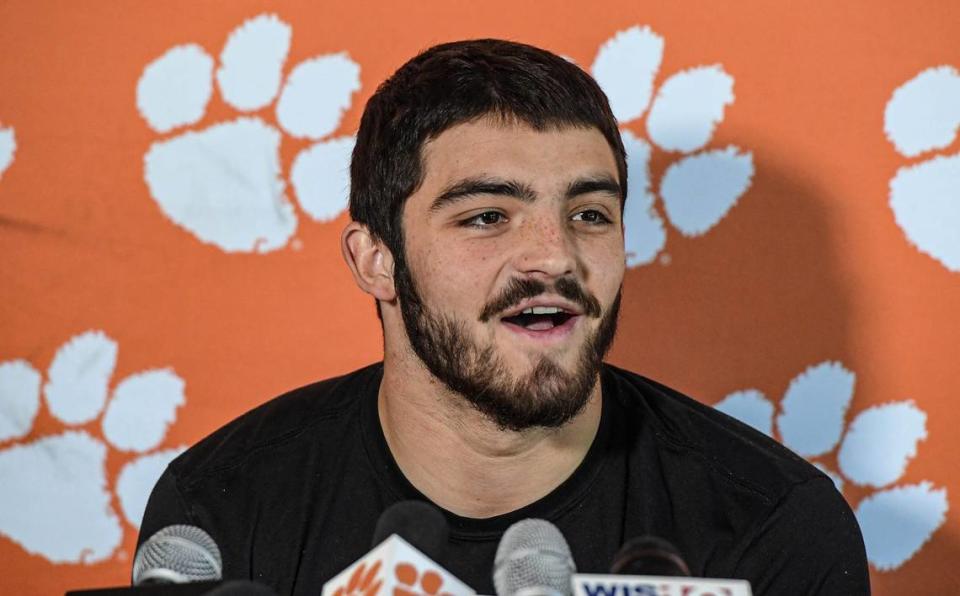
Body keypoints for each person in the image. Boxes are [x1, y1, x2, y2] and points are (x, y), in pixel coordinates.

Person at [138, 39, 870, 595]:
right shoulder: (223, 505)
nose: (554, 258)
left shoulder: (770, 525)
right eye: (488, 216)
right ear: (376, 260)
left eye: (589, 214)